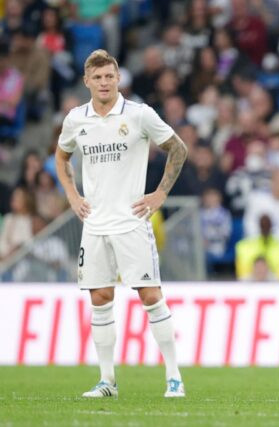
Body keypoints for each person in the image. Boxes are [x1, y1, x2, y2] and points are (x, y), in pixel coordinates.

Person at [54, 50, 188, 398]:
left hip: (131, 222)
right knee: (99, 298)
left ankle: (174, 376)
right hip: (94, 224)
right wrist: (71, 193)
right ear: (87, 81)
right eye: (97, 78)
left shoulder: (139, 114)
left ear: (118, 79)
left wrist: (159, 194)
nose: (104, 83)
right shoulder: (76, 120)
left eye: (109, 76)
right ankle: (107, 380)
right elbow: (61, 155)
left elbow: (178, 149)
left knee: (150, 295)